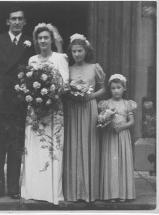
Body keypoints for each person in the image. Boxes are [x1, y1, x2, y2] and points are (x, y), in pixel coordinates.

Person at [0, 6, 33, 201]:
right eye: (13, 19)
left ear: (24, 22)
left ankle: (13, 188)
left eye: (20, 19)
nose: (17, 22)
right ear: (7, 22)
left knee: (15, 147)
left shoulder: (30, 43)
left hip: (18, 101)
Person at [20, 23, 69, 205]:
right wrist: (34, 96)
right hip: (35, 112)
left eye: (45, 37)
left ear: (52, 39)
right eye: (39, 38)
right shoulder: (32, 59)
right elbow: (28, 83)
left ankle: (51, 194)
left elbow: (65, 84)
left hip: (53, 111)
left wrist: (50, 94)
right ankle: (32, 190)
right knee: (34, 149)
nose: (42, 41)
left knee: (51, 150)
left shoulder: (60, 58)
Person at [63, 34, 106, 202]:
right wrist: (72, 94)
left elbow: (104, 89)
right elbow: (64, 89)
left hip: (89, 107)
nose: (77, 54)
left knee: (89, 143)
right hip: (73, 108)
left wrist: (90, 96)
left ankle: (89, 191)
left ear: (86, 50)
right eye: (74, 51)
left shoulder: (95, 67)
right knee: (74, 144)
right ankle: (74, 191)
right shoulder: (69, 68)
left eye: (80, 51)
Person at [99, 74, 137, 202]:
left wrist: (122, 127)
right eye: (113, 88)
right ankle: (111, 193)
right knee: (111, 162)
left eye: (119, 88)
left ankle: (123, 193)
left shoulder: (127, 104)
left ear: (124, 88)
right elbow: (101, 118)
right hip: (110, 136)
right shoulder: (106, 104)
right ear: (110, 89)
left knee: (122, 161)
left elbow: (132, 121)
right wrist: (105, 122)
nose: (116, 91)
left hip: (122, 135)